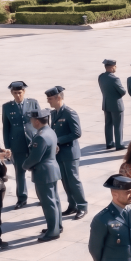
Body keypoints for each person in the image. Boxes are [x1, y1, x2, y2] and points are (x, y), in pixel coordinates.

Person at [45, 86, 87, 220]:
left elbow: (76, 133)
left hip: (70, 153)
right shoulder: (53, 113)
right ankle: (72, 204)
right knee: (65, 180)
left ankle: (82, 206)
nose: (48, 101)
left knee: (73, 180)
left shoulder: (69, 113)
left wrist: (57, 141)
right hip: (59, 153)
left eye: (50, 99)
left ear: (58, 98)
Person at [23, 108, 63, 241]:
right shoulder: (49, 131)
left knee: (48, 202)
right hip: (52, 170)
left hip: (44, 173)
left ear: (37, 121)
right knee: (54, 200)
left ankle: (53, 231)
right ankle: (56, 225)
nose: (31, 121)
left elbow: (35, 157)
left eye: (32, 119)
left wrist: (24, 166)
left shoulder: (40, 136)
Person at [1, 81, 38, 210]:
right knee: (20, 172)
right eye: (15, 93)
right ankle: (22, 198)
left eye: (20, 92)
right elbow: (6, 127)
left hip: (33, 142)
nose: (18, 95)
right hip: (17, 144)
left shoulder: (33, 103)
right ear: (12, 93)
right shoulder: (7, 107)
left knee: (38, 170)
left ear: (24, 92)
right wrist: (7, 146)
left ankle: (41, 195)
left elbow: (41, 121)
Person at [98, 62, 127, 151]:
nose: (116, 68)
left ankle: (109, 143)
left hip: (106, 103)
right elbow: (122, 91)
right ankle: (119, 144)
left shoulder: (101, 77)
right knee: (118, 125)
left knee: (108, 124)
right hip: (116, 104)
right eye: (115, 66)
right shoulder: (115, 79)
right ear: (111, 67)